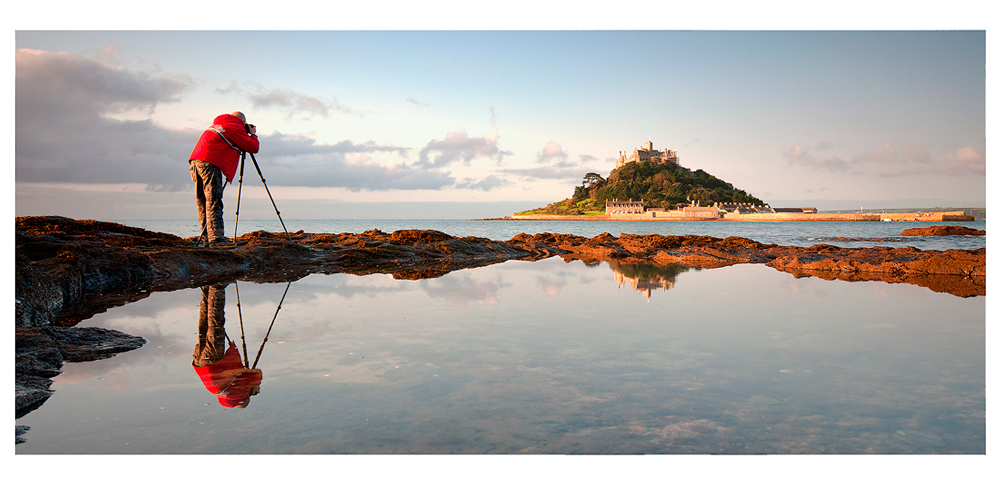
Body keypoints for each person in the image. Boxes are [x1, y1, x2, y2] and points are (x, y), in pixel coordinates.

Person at [188, 111, 260, 247]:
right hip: (210, 163)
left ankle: (206, 239)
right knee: (214, 200)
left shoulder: (220, 124)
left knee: (202, 201)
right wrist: (253, 134)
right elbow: (252, 147)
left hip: (195, 161)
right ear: (242, 122)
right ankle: (216, 239)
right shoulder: (235, 127)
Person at [192, 284, 262, 408]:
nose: (257, 392)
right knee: (204, 322)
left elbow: (256, 374)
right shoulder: (224, 395)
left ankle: (216, 288)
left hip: (212, 361)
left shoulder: (240, 393)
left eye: (253, 394)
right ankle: (206, 288)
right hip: (200, 363)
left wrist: (254, 385)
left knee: (216, 323)